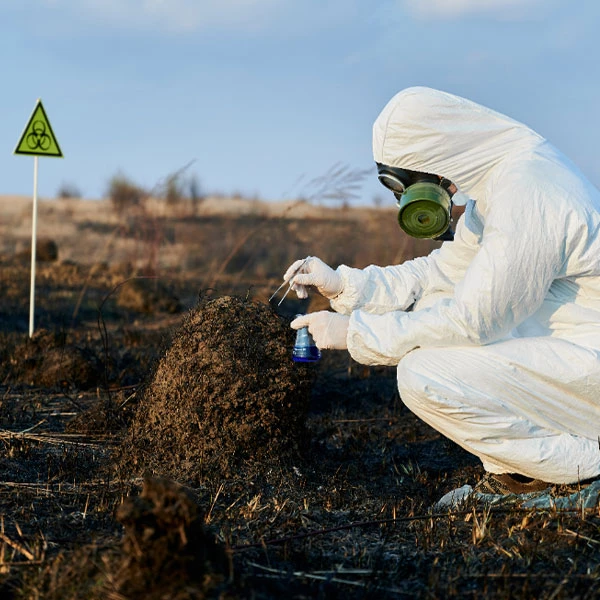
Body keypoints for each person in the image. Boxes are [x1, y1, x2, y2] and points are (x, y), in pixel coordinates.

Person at [282, 86, 600, 504]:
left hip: (587, 363)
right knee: (434, 313)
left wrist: (355, 333)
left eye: (411, 182)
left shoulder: (529, 193)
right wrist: (343, 285)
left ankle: (580, 469)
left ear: (435, 153)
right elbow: (439, 274)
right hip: (574, 355)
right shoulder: (501, 183)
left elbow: (473, 321)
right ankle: (527, 474)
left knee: (424, 376)